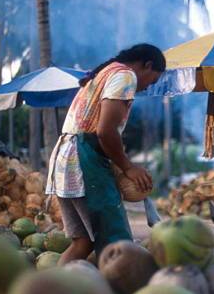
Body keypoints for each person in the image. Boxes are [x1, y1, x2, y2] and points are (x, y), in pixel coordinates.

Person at [46, 44, 165, 265]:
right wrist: (128, 167)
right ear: (147, 65)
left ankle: (52, 289)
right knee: (115, 243)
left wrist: (118, 162)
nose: (148, 87)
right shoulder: (126, 75)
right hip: (83, 159)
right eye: (152, 80)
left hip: (66, 159)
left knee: (83, 243)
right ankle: (121, 293)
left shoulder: (106, 73)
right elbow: (105, 131)